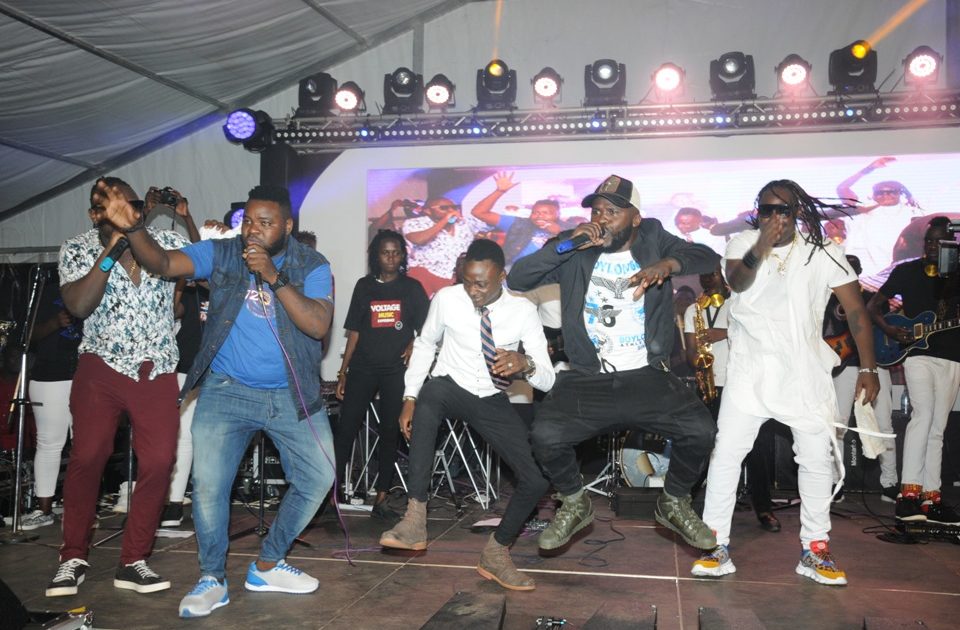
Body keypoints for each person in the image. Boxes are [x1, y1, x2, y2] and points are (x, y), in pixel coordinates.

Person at [90, 182, 336, 618]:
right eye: (249, 222)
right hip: (227, 390)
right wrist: (134, 230)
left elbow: (317, 325)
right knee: (208, 487)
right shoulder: (223, 253)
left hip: (291, 393)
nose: (253, 231)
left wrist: (274, 277)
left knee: (319, 477)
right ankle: (211, 579)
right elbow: (164, 263)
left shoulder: (312, 264)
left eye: (265, 223)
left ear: (287, 226)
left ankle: (268, 564)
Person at [507, 174, 720, 554]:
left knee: (701, 431)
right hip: (590, 377)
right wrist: (564, 247)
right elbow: (519, 277)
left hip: (646, 375)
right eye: (597, 210)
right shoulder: (575, 247)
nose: (602, 218)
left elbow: (707, 256)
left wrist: (668, 264)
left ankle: (674, 501)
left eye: (612, 211)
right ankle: (575, 501)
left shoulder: (653, 237)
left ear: (635, 218)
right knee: (545, 436)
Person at [692, 180, 880, 587]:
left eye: (784, 210)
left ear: (798, 213)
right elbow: (737, 282)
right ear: (757, 212)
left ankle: (815, 549)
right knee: (727, 454)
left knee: (815, 460)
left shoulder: (822, 251)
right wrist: (762, 243)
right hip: (750, 369)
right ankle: (714, 544)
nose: (775, 217)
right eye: (767, 210)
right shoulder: (742, 243)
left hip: (804, 371)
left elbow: (855, 310)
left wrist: (869, 369)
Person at [379, 239, 555, 591]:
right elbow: (426, 343)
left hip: (490, 398)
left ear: (502, 277)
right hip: (451, 386)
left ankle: (496, 552)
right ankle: (415, 518)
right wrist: (409, 396)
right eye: (468, 281)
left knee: (536, 480)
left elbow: (548, 378)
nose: (473, 290)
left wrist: (525, 364)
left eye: (482, 284)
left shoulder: (523, 311)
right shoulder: (447, 299)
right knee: (431, 394)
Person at [47, 177, 189, 598]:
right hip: (101, 366)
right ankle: (73, 556)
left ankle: (133, 560)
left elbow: (202, 268)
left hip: (156, 367)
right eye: (111, 205)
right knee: (88, 456)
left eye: (129, 202)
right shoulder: (77, 248)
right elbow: (78, 305)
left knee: (160, 461)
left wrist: (185, 221)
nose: (125, 209)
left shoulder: (164, 241)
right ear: (95, 214)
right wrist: (111, 249)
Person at [867, 217, 960, 524]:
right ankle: (908, 496)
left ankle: (931, 497)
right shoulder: (906, 270)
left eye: (938, 241)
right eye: (928, 241)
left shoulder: (957, 272)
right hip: (917, 354)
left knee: (938, 428)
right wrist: (888, 330)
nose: (932, 246)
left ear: (951, 243)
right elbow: (872, 306)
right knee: (922, 416)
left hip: (952, 356)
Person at [334, 230, 429, 518]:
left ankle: (382, 498)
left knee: (390, 431)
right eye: (385, 252)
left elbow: (428, 329)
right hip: (362, 368)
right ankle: (330, 492)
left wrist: (413, 342)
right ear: (376, 256)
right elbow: (355, 331)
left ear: (403, 256)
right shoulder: (364, 286)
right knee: (346, 429)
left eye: (396, 252)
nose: (391, 257)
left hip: (395, 371)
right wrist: (343, 371)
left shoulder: (412, 288)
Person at [683, 266, 780, 532]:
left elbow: (761, 333)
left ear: (724, 274)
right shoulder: (693, 310)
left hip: (743, 385)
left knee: (757, 449)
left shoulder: (740, 303)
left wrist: (723, 333)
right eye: (703, 274)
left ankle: (764, 509)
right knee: (704, 445)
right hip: (710, 386)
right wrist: (699, 361)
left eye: (712, 273)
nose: (706, 277)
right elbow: (690, 352)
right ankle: (685, 501)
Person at [824, 255, 899, 503]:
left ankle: (890, 483)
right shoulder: (826, 298)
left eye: (852, 267)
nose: (847, 270)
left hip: (874, 366)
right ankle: (835, 481)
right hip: (842, 368)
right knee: (838, 425)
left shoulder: (872, 299)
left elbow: (883, 329)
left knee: (884, 425)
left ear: (859, 271)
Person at [20, 278, 82, 530]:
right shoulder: (43, 288)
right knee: (49, 443)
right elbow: (26, 337)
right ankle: (44, 509)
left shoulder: (92, 282)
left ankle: (81, 508)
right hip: (49, 374)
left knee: (86, 445)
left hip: (86, 374)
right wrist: (55, 323)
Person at [837, 156, 924, 278]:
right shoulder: (863, 210)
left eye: (891, 191)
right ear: (873, 195)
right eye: (880, 192)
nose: (885, 195)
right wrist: (870, 168)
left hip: (901, 274)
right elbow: (842, 188)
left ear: (899, 193)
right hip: (867, 275)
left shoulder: (912, 213)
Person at [470, 172, 568, 268]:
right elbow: (478, 212)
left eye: (545, 213)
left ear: (558, 214)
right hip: (515, 270)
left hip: (551, 273)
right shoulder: (519, 223)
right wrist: (500, 191)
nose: (539, 216)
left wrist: (560, 232)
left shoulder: (570, 228)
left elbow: (575, 249)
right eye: (535, 212)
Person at [402, 197, 485, 297]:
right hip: (426, 275)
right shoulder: (414, 223)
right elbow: (419, 239)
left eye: (454, 207)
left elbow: (485, 216)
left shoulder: (463, 223)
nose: (451, 210)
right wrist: (445, 220)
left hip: (457, 277)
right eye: (444, 208)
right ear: (428, 211)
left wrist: (499, 191)